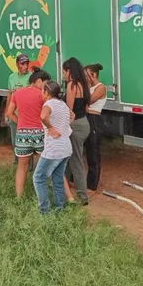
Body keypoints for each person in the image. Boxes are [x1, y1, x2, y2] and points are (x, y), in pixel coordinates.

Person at [6, 70, 50, 197]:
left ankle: (19, 197)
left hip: (22, 134)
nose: (45, 87)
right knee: (46, 165)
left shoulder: (18, 93)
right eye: (45, 83)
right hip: (39, 133)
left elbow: (9, 113)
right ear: (39, 81)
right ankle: (43, 195)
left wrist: (20, 123)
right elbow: (46, 114)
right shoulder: (42, 95)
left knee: (22, 167)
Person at [33, 81, 74, 213]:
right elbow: (73, 115)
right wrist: (63, 126)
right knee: (57, 178)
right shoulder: (63, 104)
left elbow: (43, 116)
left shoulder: (49, 103)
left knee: (38, 178)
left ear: (47, 92)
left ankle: (44, 211)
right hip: (66, 147)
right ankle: (59, 209)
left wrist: (51, 127)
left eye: (42, 91)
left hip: (54, 149)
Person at [62, 57, 91, 205]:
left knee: (75, 161)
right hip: (84, 123)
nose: (62, 74)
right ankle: (61, 188)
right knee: (68, 159)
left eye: (63, 71)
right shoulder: (83, 85)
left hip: (75, 125)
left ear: (69, 71)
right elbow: (86, 108)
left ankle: (82, 196)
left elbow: (69, 110)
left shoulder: (71, 86)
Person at [84, 63, 107, 192]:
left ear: (93, 75)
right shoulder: (88, 86)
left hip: (94, 119)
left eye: (86, 74)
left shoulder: (100, 87)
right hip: (86, 117)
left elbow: (88, 101)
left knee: (93, 152)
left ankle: (92, 184)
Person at [5, 54, 31, 165]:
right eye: (22, 64)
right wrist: (6, 113)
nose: (25, 66)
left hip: (26, 115)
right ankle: (16, 162)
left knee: (27, 142)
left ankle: (28, 167)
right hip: (14, 114)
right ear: (17, 64)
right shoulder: (12, 77)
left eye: (26, 63)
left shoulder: (31, 77)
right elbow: (9, 95)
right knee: (15, 140)